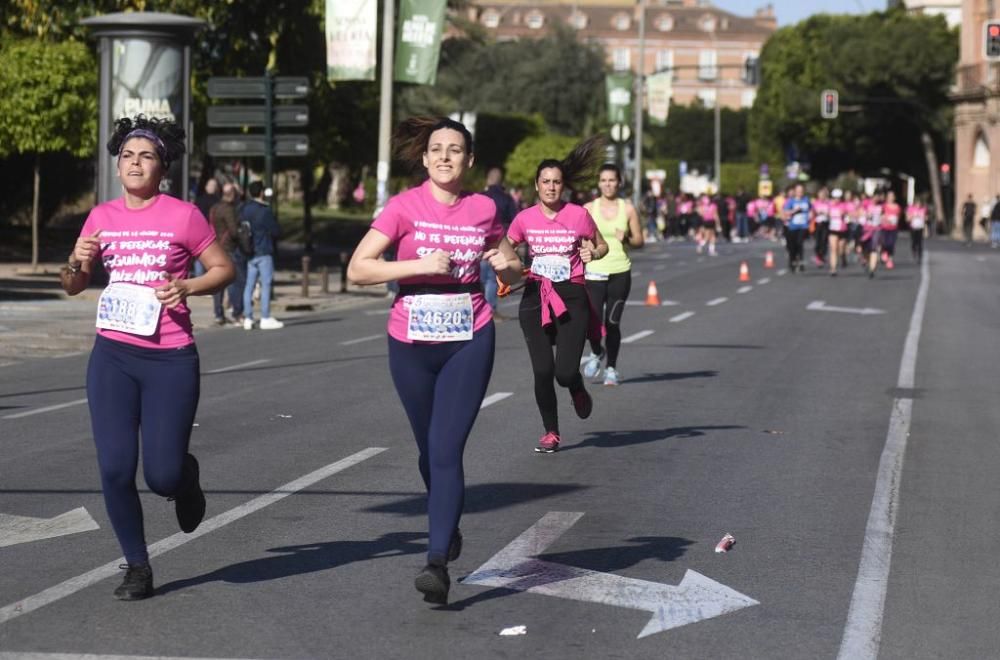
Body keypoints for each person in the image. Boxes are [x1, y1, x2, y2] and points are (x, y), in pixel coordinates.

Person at [346, 116, 522, 606]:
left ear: (469, 161)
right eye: (436, 149)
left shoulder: (484, 208)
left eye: (455, 150)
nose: (445, 156)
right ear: (424, 159)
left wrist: (509, 267)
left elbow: (512, 267)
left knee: (446, 449)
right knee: (428, 450)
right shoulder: (403, 207)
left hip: (469, 335)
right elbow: (358, 268)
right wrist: (419, 265)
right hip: (410, 340)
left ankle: (436, 560)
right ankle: (448, 522)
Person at [59, 115, 234, 601]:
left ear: (162, 168)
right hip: (112, 355)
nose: (135, 163)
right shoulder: (100, 217)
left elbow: (224, 268)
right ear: (118, 167)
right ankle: (138, 565)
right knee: (115, 468)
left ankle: (186, 479)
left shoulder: (184, 215)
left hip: (170, 358)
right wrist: (75, 261)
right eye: (128, 156)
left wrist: (188, 286)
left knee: (161, 475)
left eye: (146, 156)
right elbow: (73, 284)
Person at [507, 138, 609, 454]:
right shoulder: (524, 218)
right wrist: (506, 266)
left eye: (556, 182)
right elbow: (506, 246)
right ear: (536, 186)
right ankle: (551, 432)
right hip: (536, 295)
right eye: (546, 182)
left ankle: (576, 386)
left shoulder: (578, 214)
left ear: (563, 186)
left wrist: (595, 251)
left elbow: (602, 245)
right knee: (542, 371)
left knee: (564, 373)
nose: (551, 187)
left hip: (572, 296)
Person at [582, 164, 643, 386]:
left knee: (612, 322)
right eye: (603, 180)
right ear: (598, 183)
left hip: (620, 271)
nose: (607, 184)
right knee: (592, 321)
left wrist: (626, 237)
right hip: (595, 272)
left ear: (619, 182)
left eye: (612, 180)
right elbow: (580, 237)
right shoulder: (588, 208)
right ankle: (597, 352)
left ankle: (611, 368)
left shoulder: (627, 209)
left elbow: (640, 241)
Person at [241, 181, 284, 330]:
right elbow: (275, 230)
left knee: (249, 285)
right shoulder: (264, 210)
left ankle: (248, 317)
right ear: (261, 192)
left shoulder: (244, 209)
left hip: (249, 251)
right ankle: (265, 317)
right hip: (264, 250)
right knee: (265, 285)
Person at [481, 167, 518, 319]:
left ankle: (480, 310)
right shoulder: (506, 198)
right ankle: (490, 310)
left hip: (480, 240)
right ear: (501, 181)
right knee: (491, 278)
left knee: (480, 278)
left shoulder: (480, 197)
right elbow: (514, 219)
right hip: (499, 240)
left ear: (488, 180)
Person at [208, 182, 243, 324]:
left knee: (218, 283)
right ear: (232, 195)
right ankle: (236, 311)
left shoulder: (214, 208)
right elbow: (234, 231)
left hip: (215, 248)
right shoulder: (229, 209)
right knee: (234, 282)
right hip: (228, 249)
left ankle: (218, 313)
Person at [782, 183, 811, 272]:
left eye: (801, 191)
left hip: (803, 226)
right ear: (795, 192)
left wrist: (811, 216)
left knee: (800, 243)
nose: (800, 193)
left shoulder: (806, 200)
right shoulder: (791, 201)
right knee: (792, 246)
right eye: (798, 191)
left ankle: (801, 260)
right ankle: (792, 260)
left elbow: (811, 209)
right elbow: (785, 212)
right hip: (793, 226)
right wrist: (795, 211)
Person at [880, 190, 901, 269]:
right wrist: (885, 218)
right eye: (889, 196)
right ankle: (884, 252)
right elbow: (880, 215)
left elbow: (898, 217)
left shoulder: (897, 207)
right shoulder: (884, 206)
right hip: (884, 227)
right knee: (885, 243)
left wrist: (894, 221)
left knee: (891, 244)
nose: (891, 198)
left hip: (893, 228)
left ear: (894, 198)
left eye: (892, 196)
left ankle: (890, 260)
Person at [907, 197, 927, 263]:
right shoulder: (911, 208)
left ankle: (920, 257)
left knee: (920, 243)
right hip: (913, 227)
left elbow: (926, 218)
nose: (918, 204)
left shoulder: (923, 209)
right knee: (914, 242)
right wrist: (914, 216)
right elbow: (908, 218)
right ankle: (914, 251)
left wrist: (926, 228)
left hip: (920, 227)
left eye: (919, 203)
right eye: (917, 203)